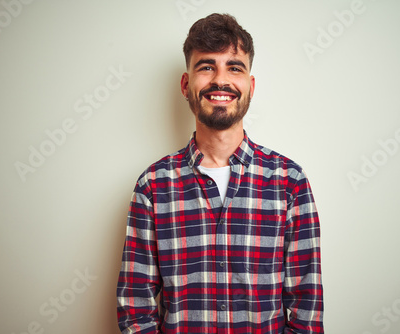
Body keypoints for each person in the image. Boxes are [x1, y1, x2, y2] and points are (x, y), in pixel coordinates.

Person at [117, 13, 324, 333]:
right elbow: (135, 308)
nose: (220, 80)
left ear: (250, 86)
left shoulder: (289, 183)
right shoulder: (153, 187)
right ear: (186, 85)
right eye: (206, 66)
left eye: (234, 67)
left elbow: (305, 309)